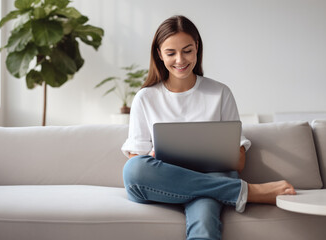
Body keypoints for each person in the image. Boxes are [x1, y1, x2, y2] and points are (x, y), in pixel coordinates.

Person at [121, 15, 296, 240]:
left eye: (187, 50)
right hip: (169, 180)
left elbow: (239, 161)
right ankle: (247, 192)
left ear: (197, 49)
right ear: (159, 54)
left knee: (204, 222)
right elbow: (136, 157)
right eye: (171, 52)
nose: (180, 60)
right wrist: (156, 157)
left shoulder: (220, 92)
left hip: (214, 174)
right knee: (133, 170)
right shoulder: (145, 98)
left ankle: (217, 189)